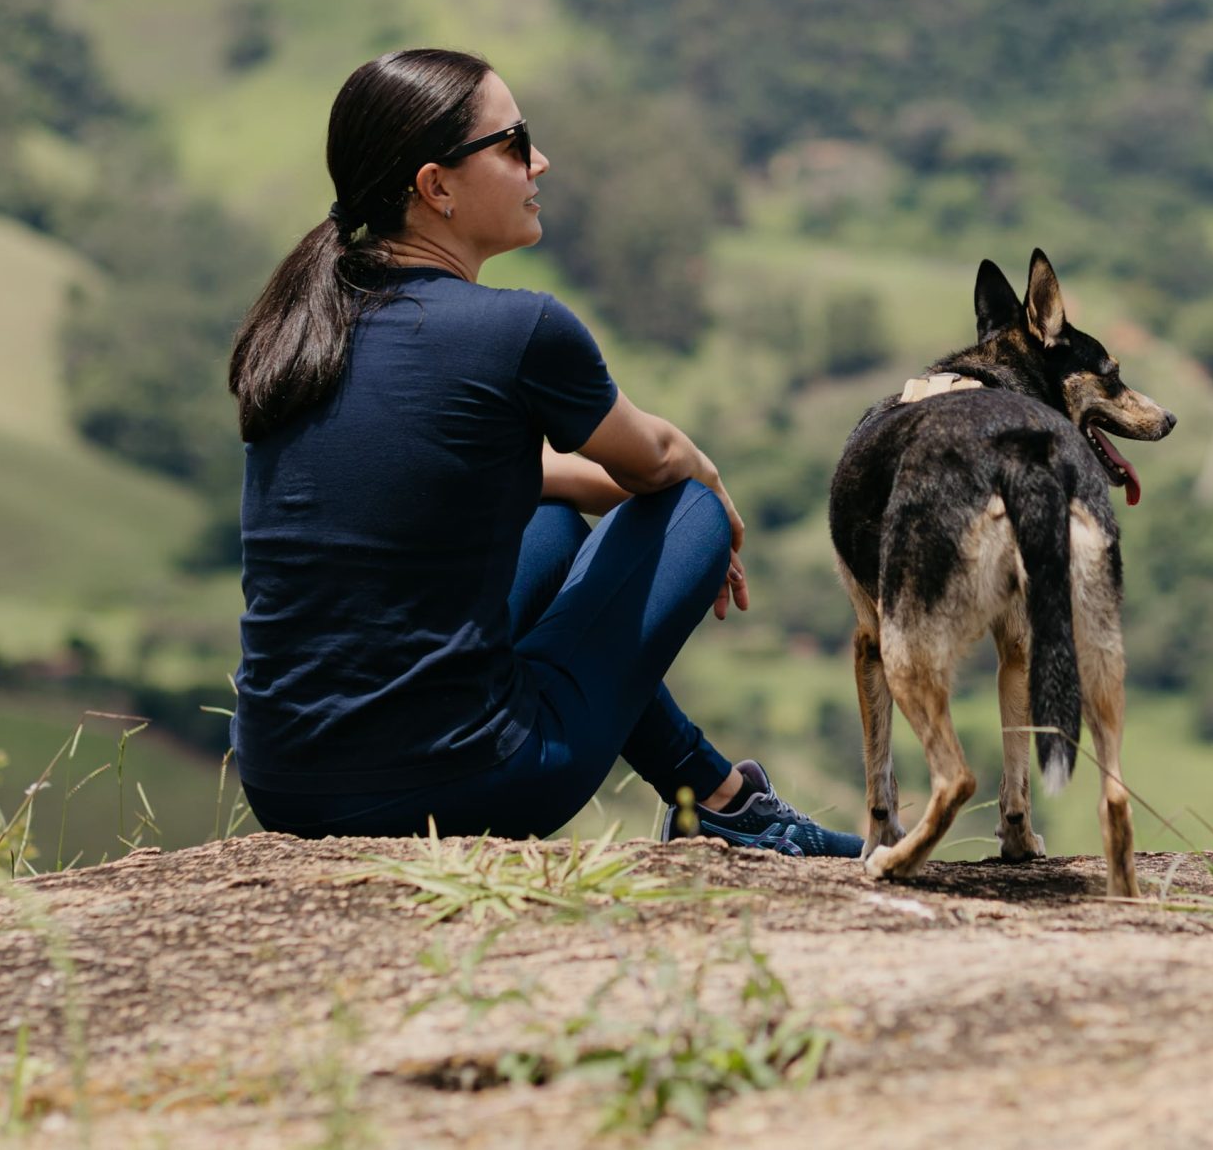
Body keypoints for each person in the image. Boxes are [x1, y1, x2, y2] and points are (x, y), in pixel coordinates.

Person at [226, 47, 860, 857]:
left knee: (551, 523)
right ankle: (723, 803)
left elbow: (422, 478)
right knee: (687, 512)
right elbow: (659, 466)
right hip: (467, 782)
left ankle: (720, 797)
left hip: (283, 782)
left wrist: (570, 482)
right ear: (436, 186)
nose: (541, 161)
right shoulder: (518, 331)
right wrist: (710, 482)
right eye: (515, 142)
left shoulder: (295, 330)